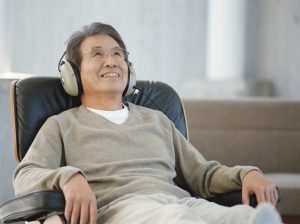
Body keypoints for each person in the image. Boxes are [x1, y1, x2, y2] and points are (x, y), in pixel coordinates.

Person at [13, 22, 282, 224]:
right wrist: (68, 177)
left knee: (249, 218)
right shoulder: (61, 125)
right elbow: (25, 176)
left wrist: (248, 173)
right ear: (72, 75)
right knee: (178, 219)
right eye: (97, 54)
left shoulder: (157, 120)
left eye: (119, 54)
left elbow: (203, 175)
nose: (112, 61)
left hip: (182, 203)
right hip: (121, 210)